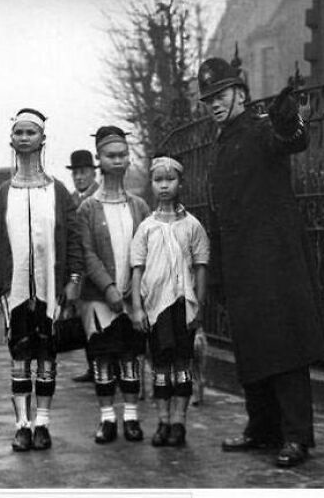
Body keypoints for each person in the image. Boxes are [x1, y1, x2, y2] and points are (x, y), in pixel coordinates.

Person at [197, 56, 324, 467]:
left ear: (240, 93)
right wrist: (217, 271)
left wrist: (291, 120)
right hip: (239, 265)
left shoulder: (261, 128)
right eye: (208, 99)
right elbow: (219, 215)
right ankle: (262, 429)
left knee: (285, 347)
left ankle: (296, 437)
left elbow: (290, 139)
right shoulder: (220, 146)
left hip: (275, 263)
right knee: (251, 347)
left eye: (220, 95)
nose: (214, 104)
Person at [0, 108, 83, 452]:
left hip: (50, 291)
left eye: (31, 132)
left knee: (47, 358)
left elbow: (73, 239)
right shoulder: (3, 195)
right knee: (20, 358)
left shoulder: (58, 192)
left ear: (42, 139)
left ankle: (43, 425)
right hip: (17, 291)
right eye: (19, 132)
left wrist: (72, 280)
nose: (25, 137)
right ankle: (21, 425)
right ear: (12, 139)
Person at [77, 125, 150, 444]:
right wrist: (108, 288)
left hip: (132, 297)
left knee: (130, 355)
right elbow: (87, 252)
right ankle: (107, 418)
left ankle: (131, 417)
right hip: (99, 299)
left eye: (123, 155)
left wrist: (133, 293)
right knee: (103, 357)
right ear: (99, 160)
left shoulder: (139, 206)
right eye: (110, 155)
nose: (118, 161)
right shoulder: (88, 208)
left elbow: (145, 250)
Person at [130, 156, 210, 447]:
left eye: (170, 179)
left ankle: (179, 422)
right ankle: (162, 421)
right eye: (158, 180)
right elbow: (137, 269)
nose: (164, 186)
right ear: (152, 184)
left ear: (180, 183)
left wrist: (198, 305)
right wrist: (138, 308)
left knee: (183, 364)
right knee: (160, 366)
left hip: (183, 306)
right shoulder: (146, 228)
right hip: (156, 308)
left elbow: (200, 266)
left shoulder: (192, 226)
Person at [66, 149, 100, 383]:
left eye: (83, 172)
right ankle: (93, 367)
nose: (79, 177)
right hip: (78, 271)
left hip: (97, 267)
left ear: (92, 173)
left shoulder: (100, 196)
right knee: (83, 320)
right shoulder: (71, 200)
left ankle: (106, 367)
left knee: (101, 320)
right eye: (75, 173)